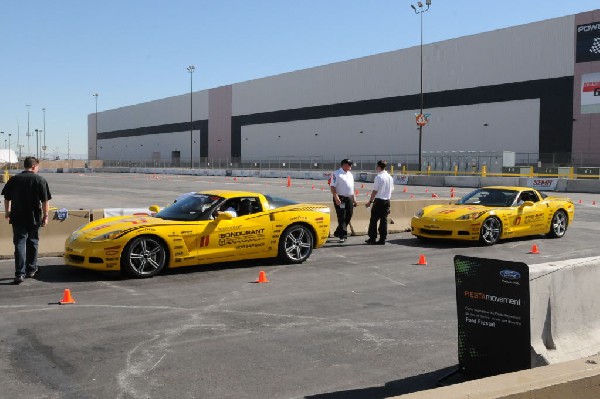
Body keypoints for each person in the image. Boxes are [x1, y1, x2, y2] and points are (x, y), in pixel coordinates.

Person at [2, 157, 52, 284]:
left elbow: (7, 198)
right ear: (34, 166)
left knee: (19, 243)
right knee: (33, 242)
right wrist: (46, 216)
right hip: (34, 218)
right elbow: (45, 201)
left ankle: (19, 273)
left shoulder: (14, 179)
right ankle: (31, 269)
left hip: (17, 217)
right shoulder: (40, 180)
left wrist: (7, 212)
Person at [365, 160, 394, 245]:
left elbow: (375, 191)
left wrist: (370, 201)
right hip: (387, 201)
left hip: (379, 201)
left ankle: (372, 238)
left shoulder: (379, 177)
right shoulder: (390, 177)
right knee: (384, 220)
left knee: (373, 220)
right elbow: (392, 189)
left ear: (378, 166)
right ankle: (382, 238)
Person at [330, 158, 357, 243]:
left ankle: (338, 232)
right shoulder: (337, 174)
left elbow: (351, 188)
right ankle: (343, 235)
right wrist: (336, 197)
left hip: (349, 198)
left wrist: (354, 199)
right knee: (342, 216)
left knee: (349, 215)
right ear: (344, 165)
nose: (351, 166)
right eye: (349, 165)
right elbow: (332, 187)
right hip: (340, 198)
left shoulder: (350, 175)